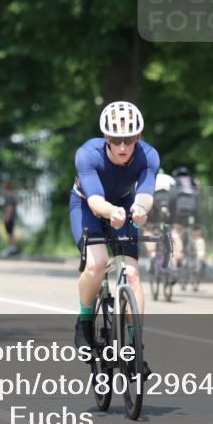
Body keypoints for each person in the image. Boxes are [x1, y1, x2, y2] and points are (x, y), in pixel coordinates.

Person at [71, 101, 158, 377]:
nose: (123, 147)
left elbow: (145, 194)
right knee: (97, 264)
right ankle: (84, 322)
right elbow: (96, 200)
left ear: (138, 138)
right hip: (87, 205)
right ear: (106, 137)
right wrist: (111, 213)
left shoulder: (149, 156)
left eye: (129, 140)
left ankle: (134, 346)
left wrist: (142, 210)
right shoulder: (88, 154)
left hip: (124, 203)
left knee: (132, 274)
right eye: (116, 140)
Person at [168, 166, 206, 276]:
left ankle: (179, 255)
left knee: (175, 232)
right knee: (197, 236)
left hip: (181, 210)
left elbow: (172, 198)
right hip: (196, 209)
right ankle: (200, 258)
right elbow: (199, 194)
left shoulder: (175, 182)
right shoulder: (194, 181)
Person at [0, 181, 19, 257]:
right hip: (12, 217)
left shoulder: (8, 196)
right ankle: (12, 247)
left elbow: (9, 208)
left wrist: (7, 217)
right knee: (10, 233)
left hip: (9, 217)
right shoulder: (11, 195)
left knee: (10, 233)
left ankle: (12, 248)